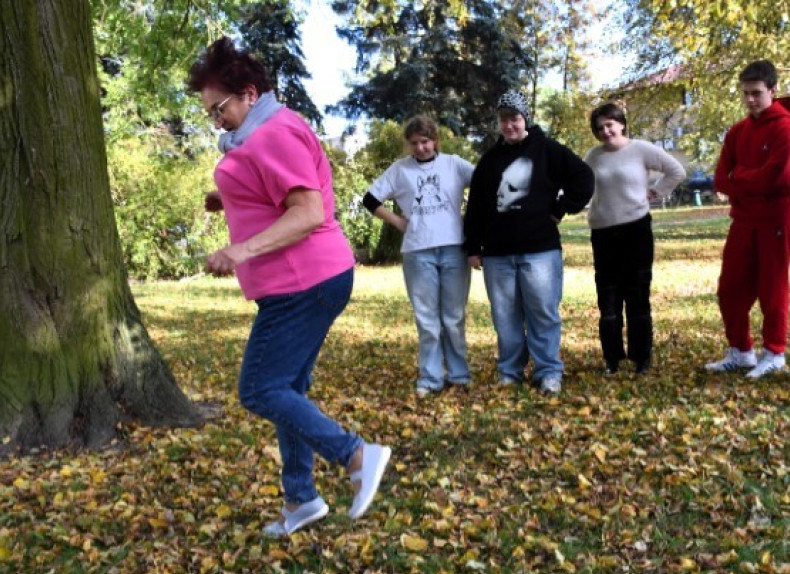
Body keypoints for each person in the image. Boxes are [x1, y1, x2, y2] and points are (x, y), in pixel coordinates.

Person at [187, 37, 391, 537]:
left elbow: (307, 212)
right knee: (289, 389)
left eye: (219, 109)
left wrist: (238, 251)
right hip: (307, 279)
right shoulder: (266, 130)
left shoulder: (271, 134)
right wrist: (228, 198)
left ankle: (357, 454)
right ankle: (301, 499)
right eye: (209, 114)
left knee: (260, 388)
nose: (216, 122)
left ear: (249, 93)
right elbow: (275, 189)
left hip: (304, 281)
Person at [463, 91, 595, 394]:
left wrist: (561, 208)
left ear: (525, 119)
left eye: (515, 118)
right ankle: (510, 371)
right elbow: (477, 207)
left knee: (543, 312)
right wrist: (472, 247)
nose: (509, 125)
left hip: (540, 251)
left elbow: (584, 178)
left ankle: (548, 371)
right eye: (503, 119)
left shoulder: (548, 151)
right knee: (505, 316)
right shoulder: (490, 161)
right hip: (497, 254)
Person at [363, 116, 475, 397]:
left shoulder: (453, 164)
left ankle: (459, 375)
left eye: (425, 141)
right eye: (414, 143)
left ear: (435, 140)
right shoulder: (400, 170)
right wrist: (398, 222)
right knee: (427, 319)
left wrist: (473, 219)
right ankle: (431, 377)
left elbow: (485, 182)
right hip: (417, 250)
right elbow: (370, 199)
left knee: (453, 316)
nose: (421, 148)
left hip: (454, 248)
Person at [704, 60, 790, 378]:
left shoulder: (784, 126)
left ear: (772, 91)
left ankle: (775, 351)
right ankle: (741, 351)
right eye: (745, 93)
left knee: (771, 285)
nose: (750, 100)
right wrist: (748, 179)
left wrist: (740, 177)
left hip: (777, 216)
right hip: (744, 218)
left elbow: (781, 177)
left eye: (756, 93)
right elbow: (721, 180)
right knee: (730, 286)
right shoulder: (737, 131)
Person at [584, 102, 686, 375]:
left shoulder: (640, 150)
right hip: (603, 232)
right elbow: (580, 185)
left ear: (621, 123)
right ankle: (612, 359)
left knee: (637, 294)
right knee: (608, 297)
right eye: (600, 128)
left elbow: (676, 171)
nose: (606, 131)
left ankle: (642, 357)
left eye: (610, 125)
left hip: (636, 229)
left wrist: (655, 192)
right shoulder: (593, 157)